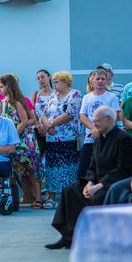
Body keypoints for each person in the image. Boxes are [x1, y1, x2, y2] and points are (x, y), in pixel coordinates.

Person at [45, 106, 132, 249]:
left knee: (98, 196)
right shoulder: (99, 139)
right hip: (95, 181)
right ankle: (68, 236)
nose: (95, 124)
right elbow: (92, 165)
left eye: (97, 121)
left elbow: (124, 169)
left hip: (113, 183)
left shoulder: (124, 139)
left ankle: (96, 237)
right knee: (70, 190)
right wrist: (90, 182)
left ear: (110, 120)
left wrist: (98, 186)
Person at [39, 71, 82, 209]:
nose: (55, 83)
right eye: (55, 81)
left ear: (66, 82)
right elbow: (43, 113)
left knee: (69, 168)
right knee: (52, 168)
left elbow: (70, 114)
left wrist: (51, 124)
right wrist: (47, 125)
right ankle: (50, 197)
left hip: (68, 138)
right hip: (52, 138)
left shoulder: (74, 94)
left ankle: (67, 198)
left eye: (57, 81)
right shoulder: (53, 96)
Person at [0, 73, 43, 208]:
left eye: (1, 87)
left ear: (8, 86)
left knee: (30, 168)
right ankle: (24, 197)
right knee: (17, 169)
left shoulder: (16, 101)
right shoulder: (3, 102)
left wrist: (12, 136)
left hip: (24, 139)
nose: (0, 90)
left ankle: (39, 199)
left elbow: (24, 121)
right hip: (12, 140)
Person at [78, 68, 121, 186]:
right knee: (83, 170)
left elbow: (115, 116)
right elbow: (82, 115)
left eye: (103, 79)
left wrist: (101, 130)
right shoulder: (87, 97)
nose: (101, 81)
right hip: (90, 138)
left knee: (104, 169)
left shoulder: (111, 97)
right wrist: (93, 128)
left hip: (106, 140)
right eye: (98, 79)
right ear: (92, 82)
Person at [31, 69, 54, 156]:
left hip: (52, 128)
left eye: (42, 77)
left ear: (49, 77)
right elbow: (32, 111)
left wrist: (49, 126)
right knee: (39, 154)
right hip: (39, 130)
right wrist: (38, 126)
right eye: (38, 78)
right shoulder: (36, 94)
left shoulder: (56, 94)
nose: (41, 80)